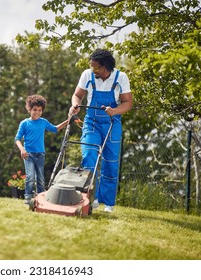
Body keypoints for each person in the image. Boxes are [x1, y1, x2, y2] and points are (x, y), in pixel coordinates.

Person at [69, 49, 132, 213]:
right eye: (91, 67)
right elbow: (77, 95)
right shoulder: (87, 75)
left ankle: (108, 203)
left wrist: (115, 110)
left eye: (96, 67)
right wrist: (75, 105)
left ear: (106, 67)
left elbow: (127, 103)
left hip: (112, 122)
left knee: (110, 163)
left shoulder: (120, 78)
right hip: (92, 122)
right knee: (89, 155)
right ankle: (90, 198)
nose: (93, 70)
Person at [15, 95, 69, 204]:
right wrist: (22, 149)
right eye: (34, 110)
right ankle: (28, 197)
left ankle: (40, 198)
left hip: (40, 155)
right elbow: (17, 139)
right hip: (28, 154)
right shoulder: (24, 123)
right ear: (29, 109)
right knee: (30, 177)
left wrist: (68, 121)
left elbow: (55, 129)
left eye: (40, 110)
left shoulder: (43, 122)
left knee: (40, 179)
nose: (37, 112)